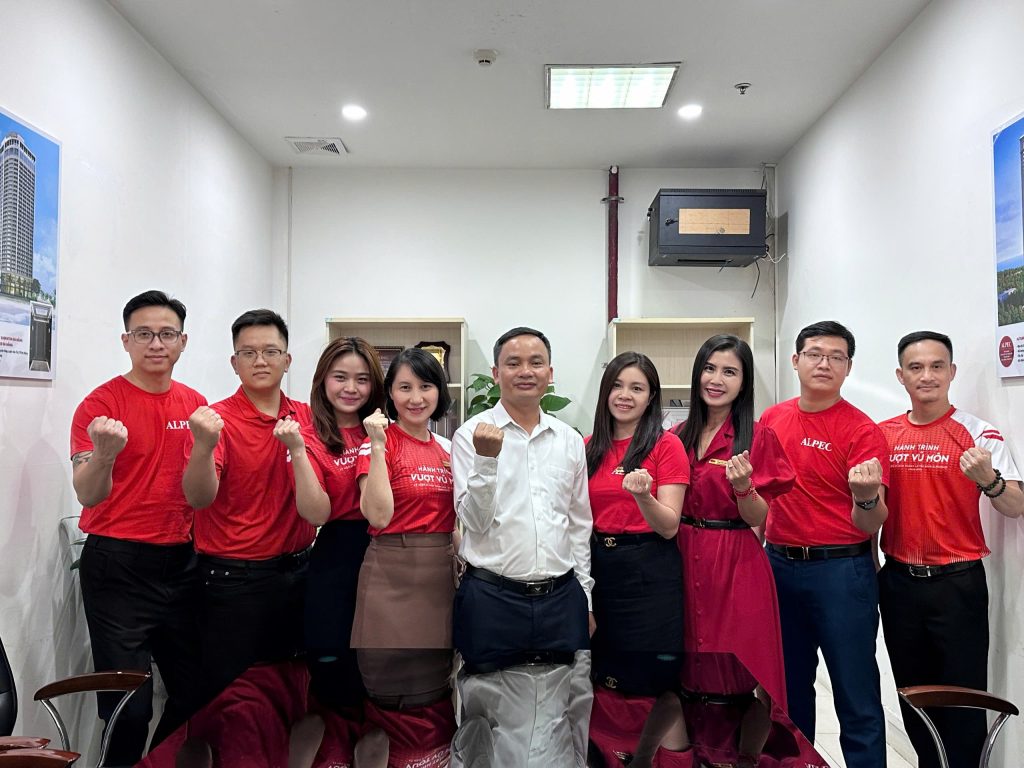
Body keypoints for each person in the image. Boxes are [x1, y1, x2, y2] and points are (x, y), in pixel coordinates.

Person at [70, 290, 205, 764]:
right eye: (144, 334)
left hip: (183, 563)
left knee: (196, 695)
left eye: (167, 334)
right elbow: (87, 494)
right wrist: (105, 454)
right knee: (129, 711)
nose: (156, 343)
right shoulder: (101, 405)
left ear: (183, 341)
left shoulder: (195, 405)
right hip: (118, 566)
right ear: (126, 341)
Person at [878, 331, 1024, 768]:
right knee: (912, 696)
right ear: (901, 376)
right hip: (899, 582)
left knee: (963, 698)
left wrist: (988, 479)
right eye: (916, 367)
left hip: (958, 583)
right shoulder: (882, 434)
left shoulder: (978, 433)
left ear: (951, 372)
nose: (927, 376)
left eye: (937, 366)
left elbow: (1014, 504)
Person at [759, 320, 889, 768]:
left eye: (836, 357)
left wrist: (865, 496)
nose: (824, 364)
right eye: (815, 354)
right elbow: (761, 498)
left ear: (848, 367)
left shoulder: (862, 430)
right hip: (778, 565)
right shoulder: (772, 420)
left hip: (841, 573)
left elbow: (871, 520)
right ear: (796, 360)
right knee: (785, 694)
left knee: (856, 695)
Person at [182, 309, 315, 701]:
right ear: (234, 362)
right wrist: (203, 445)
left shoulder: (307, 417)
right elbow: (198, 497)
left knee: (293, 692)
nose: (260, 361)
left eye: (271, 351)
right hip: (234, 583)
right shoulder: (215, 421)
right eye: (249, 353)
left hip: (299, 573)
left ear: (287, 360)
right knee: (235, 699)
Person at [451, 326, 593, 672]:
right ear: (496, 374)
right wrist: (486, 460)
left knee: (563, 695)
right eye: (513, 363)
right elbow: (474, 523)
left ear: (550, 373)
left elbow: (578, 526)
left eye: (536, 363)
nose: (526, 371)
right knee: (486, 698)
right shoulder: (469, 435)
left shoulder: (569, 440)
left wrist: (584, 598)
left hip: (561, 600)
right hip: (491, 600)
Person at [671, 335, 794, 708]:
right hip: (681, 554)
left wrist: (743, 488)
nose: (716, 379)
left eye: (729, 372)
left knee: (736, 663)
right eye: (709, 368)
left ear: (744, 383)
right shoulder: (676, 437)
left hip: (735, 558)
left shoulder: (757, 437)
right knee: (686, 658)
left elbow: (758, 516)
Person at [273, 336, 386, 711]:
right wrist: (297, 451)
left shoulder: (384, 431)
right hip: (337, 555)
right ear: (323, 380)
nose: (351, 388)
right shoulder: (306, 437)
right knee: (334, 663)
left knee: (382, 663)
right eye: (340, 377)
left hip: (386, 552)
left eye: (362, 379)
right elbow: (317, 514)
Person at [350, 347, 456, 703]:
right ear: (390, 394)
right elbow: (378, 516)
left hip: (439, 581)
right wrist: (379, 446)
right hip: (390, 577)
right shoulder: (376, 445)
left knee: (437, 687)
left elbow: (453, 519)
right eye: (405, 387)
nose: (416, 398)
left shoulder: (448, 449)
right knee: (388, 688)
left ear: (439, 391)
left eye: (425, 386)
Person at [585, 351, 688, 675]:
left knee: (646, 674)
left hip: (648, 569)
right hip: (598, 568)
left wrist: (644, 497)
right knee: (601, 670)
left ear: (651, 397)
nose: (625, 395)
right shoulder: (588, 447)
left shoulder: (666, 445)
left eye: (637, 388)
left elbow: (669, 526)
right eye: (617, 385)